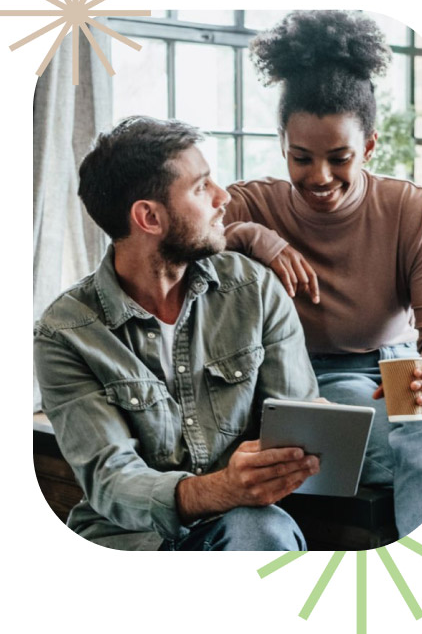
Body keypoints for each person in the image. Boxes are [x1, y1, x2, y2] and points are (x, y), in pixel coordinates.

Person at [34, 116, 321, 551]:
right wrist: (221, 487)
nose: (223, 198)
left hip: (241, 527)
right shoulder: (66, 333)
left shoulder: (255, 289)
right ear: (149, 217)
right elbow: (112, 479)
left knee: (261, 531)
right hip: (126, 541)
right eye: (202, 187)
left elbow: (300, 422)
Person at [224, 10, 422, 538]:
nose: (319, 177)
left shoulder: (410, 209)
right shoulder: (251, 203)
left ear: (369, 146)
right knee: (404, 430)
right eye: (301, 157)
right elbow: (178, 239)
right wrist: (258, 237)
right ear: (282, 143)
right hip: (307, 380)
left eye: (340, 157)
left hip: (394, 370)